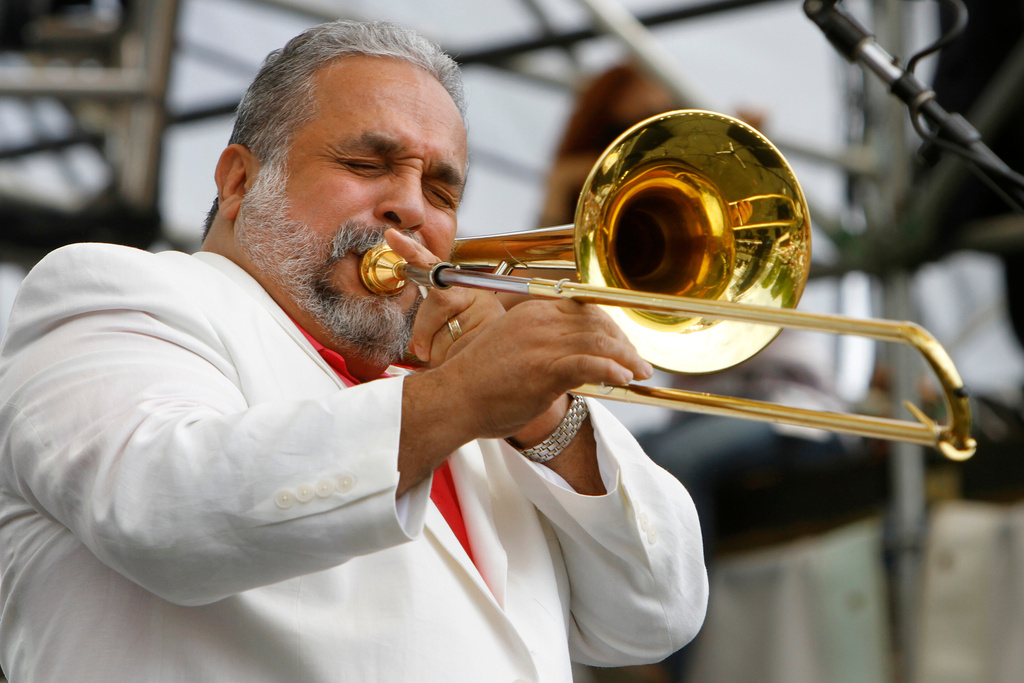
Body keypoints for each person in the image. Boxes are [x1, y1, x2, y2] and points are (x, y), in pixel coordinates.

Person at [0, 20, 707, 683]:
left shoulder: (477, 389)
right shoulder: (111, 291)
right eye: (368, 163)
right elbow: (163, 508)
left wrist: (554, 424)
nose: (413, 209)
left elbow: (656, 613)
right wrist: (461, 399)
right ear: (239, 181)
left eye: (441, 188)